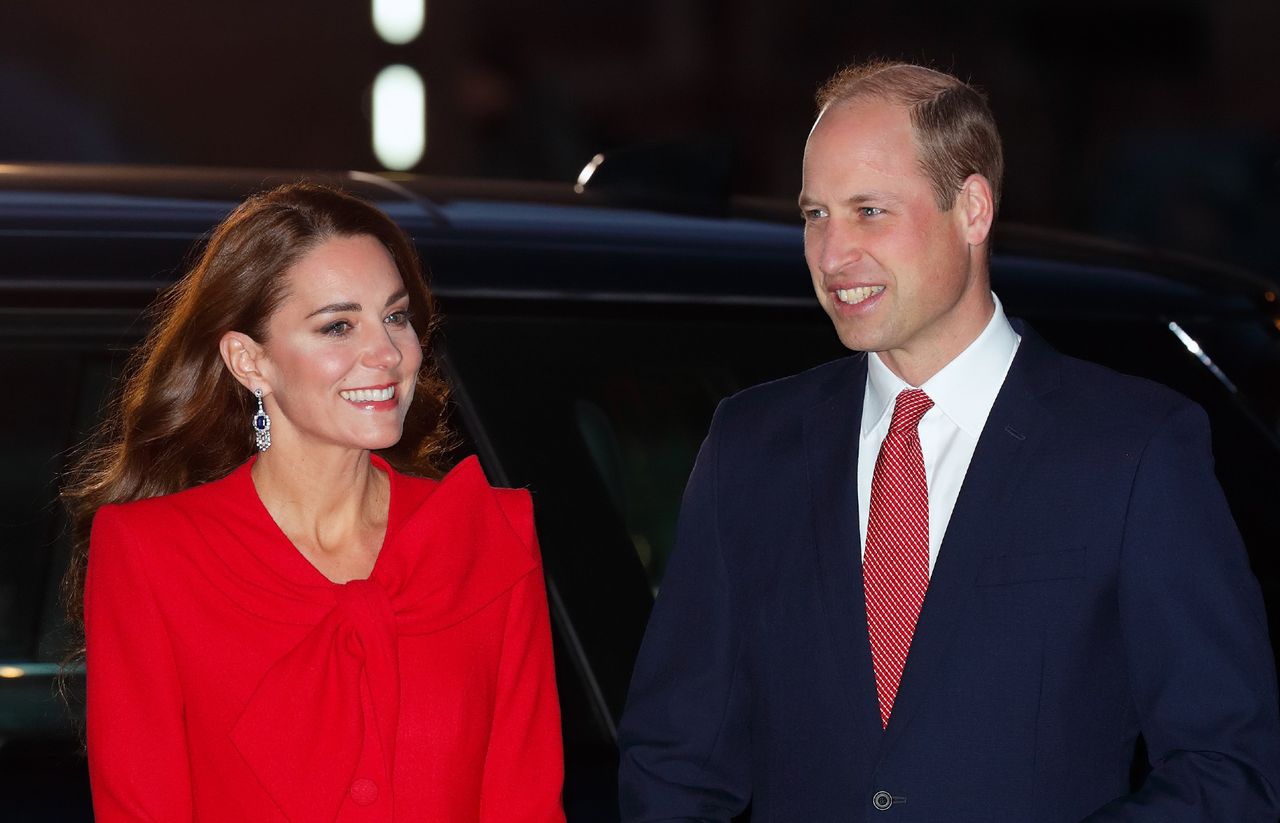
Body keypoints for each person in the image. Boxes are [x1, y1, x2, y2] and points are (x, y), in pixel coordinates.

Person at [617, 61, 1280, 822]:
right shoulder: (751, 446)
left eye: (868, 211)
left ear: (971, 207)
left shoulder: (1132, 449)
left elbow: (1227, 769)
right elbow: (674, 767)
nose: (832, 256)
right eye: (814, 215)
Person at [63, 183, 566, 822]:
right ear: (250, 361)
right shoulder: (152, 553)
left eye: (396, 316)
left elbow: (526, 802)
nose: (387, 354)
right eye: (338, 325)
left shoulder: (486, 534)